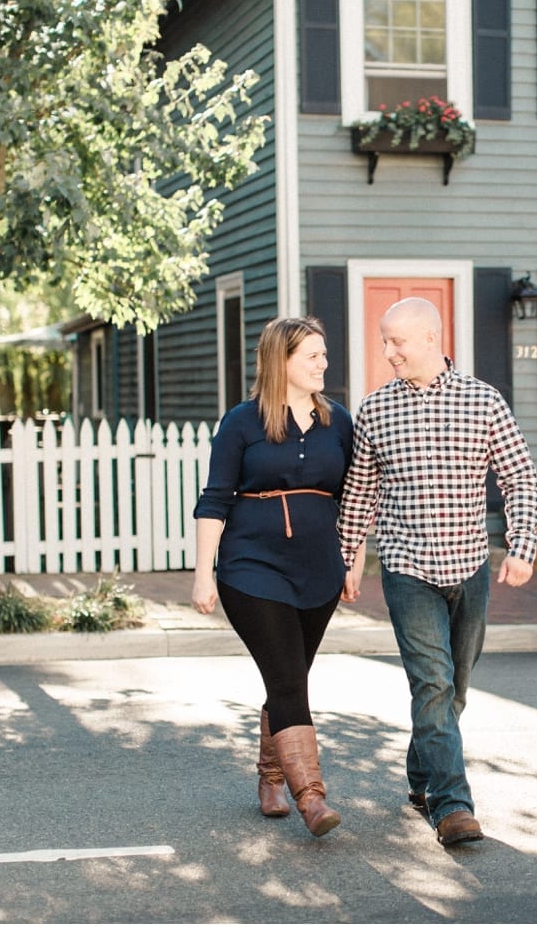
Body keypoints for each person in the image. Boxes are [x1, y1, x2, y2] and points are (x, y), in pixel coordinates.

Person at [337, 297, 537, 848]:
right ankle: (453, 807)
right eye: (384, 342)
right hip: (407, 569)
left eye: (396, 342)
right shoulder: (376, 409)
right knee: (432, 683)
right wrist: (348, 557)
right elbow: (359, 493)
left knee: (454, 691)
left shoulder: (483, 402)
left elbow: (520, 478)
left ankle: (420, 774)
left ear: (430, 338)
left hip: (469, 566)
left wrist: (520, 546)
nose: (387, 353)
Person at [191, 316, 356, 837]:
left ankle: (269, 777)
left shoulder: (340, 423)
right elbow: (214, 500)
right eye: (312, 355)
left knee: (290, 678)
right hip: (252, 568)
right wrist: (203, 575)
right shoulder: (242, 422)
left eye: (324, 354)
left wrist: (353, 560)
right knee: (287, 678)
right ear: (280, 360)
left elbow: (355, 498)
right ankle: (311, 797)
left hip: (319, 569)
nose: (323, 364)